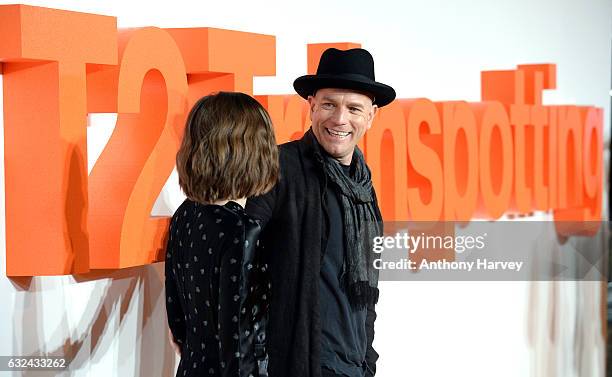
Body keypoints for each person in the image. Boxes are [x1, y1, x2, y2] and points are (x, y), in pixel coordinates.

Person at [246, 48, 396, 377]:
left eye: (354, 108)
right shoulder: (279, 167)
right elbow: (238, 264)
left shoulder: (364, 190)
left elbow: (366, 297)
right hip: (298, 364)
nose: (339, 119)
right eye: (329, 104)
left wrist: (367, 362)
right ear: (311, 105)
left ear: (371, 116)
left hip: (353, 367)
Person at [165, 92, 279, 377]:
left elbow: (177, 322)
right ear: (254, 151)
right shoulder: (242, 231)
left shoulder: (184, 214)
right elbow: (243, 351)